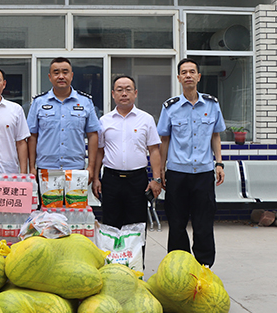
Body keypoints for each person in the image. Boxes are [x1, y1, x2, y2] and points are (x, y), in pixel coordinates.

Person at [157, 58, 226, 267]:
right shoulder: (170, 107)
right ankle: (180, 265)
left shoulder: (212, 105)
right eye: (184, 72)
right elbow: (164, 139)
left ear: (198, 77)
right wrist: (161, 168)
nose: (188, 75)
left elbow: (215, 136)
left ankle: (204, 265)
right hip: (177, 173)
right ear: (178, 78)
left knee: (203, 223)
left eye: (192, 72)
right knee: (177, 223)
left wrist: (219, 163)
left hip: (204, 173)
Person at [93, 75, 162, 231]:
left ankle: (136, 257)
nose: (124, 93)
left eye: (128, 89)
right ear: (113, 94)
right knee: (111, 225)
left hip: (138, 181)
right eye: (119, 90)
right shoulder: (104, 120)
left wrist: (156, 179)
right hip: (111, 180)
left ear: (135, 93)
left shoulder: (146, 119)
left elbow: (154, 150)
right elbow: (99, 151)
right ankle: (112, 256)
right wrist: (96, 178)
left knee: (137, 225)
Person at [27, 57, 100, 181]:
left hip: (76, 169)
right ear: (50, 77)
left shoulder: (85, 102)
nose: (61, 76)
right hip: (46, 169)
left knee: (75, 201)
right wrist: (31, 167)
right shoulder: (38, 102)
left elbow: (93, 135)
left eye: (65, 72)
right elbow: (32, 136)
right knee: (48, 201)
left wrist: (91, 168)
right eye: (56, 73)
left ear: (71, 76)